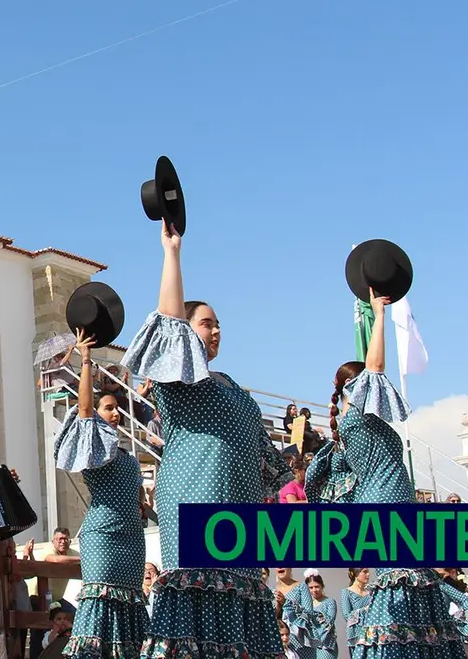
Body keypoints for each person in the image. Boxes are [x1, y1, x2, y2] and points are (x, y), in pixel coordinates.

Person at [122, 220, 291, 659]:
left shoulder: (236, 388)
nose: (215, 331)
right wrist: (172, 252)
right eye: (206, 323)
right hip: (195, 499)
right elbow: (168, 323)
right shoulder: (179, 379)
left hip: (243, 514)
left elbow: (268, 467)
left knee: (243, 602)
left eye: (219, 324)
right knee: (196, 594)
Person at [325, 290, 465, 659]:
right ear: (353, 392)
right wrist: (379, 315)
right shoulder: (356, 419)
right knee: (399, 584)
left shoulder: (355, 426)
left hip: (394, 502)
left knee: (413, 584)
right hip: (386, 506)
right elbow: (375, 369)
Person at [52, 327, 150, 657]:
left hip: (132, 540)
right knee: (98, 605)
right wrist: (87, 360)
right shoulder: (94, 449)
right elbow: (83, 411)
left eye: (117, 409)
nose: (114, 412)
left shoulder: (130, 459)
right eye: (108, 408)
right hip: (103, 538)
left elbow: (139, 503)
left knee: (131, 608)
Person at [340, 569, 372, 659]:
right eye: (365, 572)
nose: (368, 574)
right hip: (356, 635)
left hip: (371, 633)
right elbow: (347, 615)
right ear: (355, 574)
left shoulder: (371, 591)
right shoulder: (346, 592)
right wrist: (366, 610)